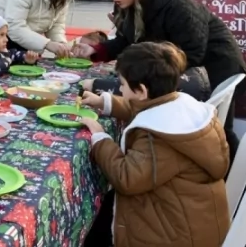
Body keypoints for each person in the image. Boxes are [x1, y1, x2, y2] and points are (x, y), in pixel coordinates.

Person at [71, 0, 246, 158]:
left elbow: (192, 53)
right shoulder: (130, 4)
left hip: (215, 67)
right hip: (182, 65)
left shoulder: (178, 5)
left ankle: (234, 174)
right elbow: (127, 40)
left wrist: (147, 74)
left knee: (219, 129)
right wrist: (96, 49)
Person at [78, 42, 230, 247]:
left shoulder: (160, 137)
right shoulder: (177, 105)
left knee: (94, 227)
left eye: (122, 84)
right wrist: (105, 102)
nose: (120, 89)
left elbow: (126, 178)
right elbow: (144, 107)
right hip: (194, 219)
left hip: (174, 236)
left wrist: (100, 138)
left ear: (141, 90)